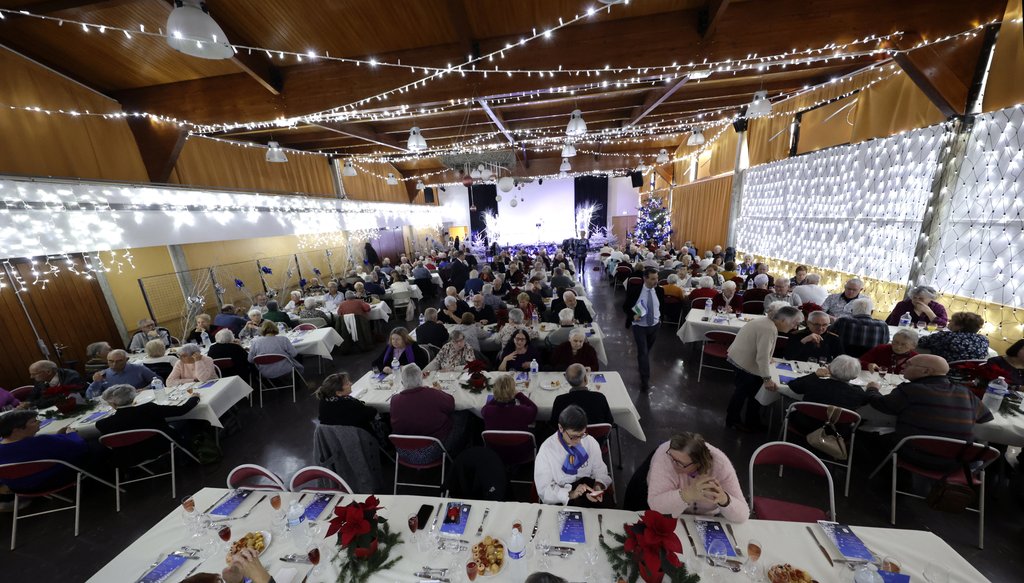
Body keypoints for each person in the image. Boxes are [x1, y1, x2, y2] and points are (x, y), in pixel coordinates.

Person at [865, 355, 992, 451]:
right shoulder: (965, 392)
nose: (903, 366)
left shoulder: (910, 390)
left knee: (868, 436)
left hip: (915, 454)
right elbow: (984, 417)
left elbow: (880, 404)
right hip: (955, 459)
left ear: (926, 371)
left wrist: (872, 389)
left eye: (908, 364)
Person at [726, 306, 804, 431]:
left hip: (740, 358)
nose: (795, 327)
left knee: (746, 392)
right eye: (795, 323)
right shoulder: (769, 328)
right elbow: (761, 357)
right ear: (784, 320)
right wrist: (767, 379)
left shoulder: (766, 322)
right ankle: (737, 421)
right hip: (745, 363)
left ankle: (746, 420)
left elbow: (761, 349)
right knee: (746, 393)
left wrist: (768, 357)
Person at [646, 432, 748, 522]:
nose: (672, 464)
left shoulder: (721, 466)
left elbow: (743, 515)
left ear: (698, 463)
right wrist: (686, 495)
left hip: (707, 519)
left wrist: (725, 500)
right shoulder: (665, 458)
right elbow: (656, 506)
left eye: (679, 463)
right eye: (672, 458)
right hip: (670, 517)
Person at [97, 384, 199, 466]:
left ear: (113, 404)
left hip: (128, 457)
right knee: (181, 422)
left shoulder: (102, 424)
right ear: (133, 397)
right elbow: (182, 410)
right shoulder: (148, 408)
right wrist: (194, 398)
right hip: (161, 446)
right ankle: (188, 456)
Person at [534, 405, 611, 506]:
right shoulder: (547, 450)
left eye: (582, 434)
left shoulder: (590, 442)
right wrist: (571, 494)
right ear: (561, 428)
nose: (578, 441)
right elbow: (544, 490)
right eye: (573, 436)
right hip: (561, 499)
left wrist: (597, 487)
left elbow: (600, 470)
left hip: (586, 493)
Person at [0, 409, 90, 493]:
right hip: (52, 481)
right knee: (93, 445)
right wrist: (72, 434)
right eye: (34, 421)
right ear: (16, 430)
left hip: (19, 489)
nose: (39, 422)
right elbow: (80, 447)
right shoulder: (40, 442)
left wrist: (58, 437)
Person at [390, 364, 465, 454]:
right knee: (463, 414)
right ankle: (462, 451)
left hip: (404, 451)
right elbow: (451, 405)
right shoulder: (433, 394)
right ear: (421, 379)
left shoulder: (394, 400)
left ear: (402, 383)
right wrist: (439, 391)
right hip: (433, 450)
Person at [776, 355, 869, 416]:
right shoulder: (858, 394)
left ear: (829, 368)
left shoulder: (814, 383)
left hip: (804, 423)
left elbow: (793, 385)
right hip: (837, 430)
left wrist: (815, 375)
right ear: (855, 376)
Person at [624, 267, 664, 392]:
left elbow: (661, 306)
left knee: (646, 351)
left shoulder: (659, 290)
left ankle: (642, 366)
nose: (656, 281)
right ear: (645, 278)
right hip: (639, 326)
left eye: (657, 278)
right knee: (643, 352)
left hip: (655, 325)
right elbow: (625, 307)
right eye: (652, 279)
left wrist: (660, 320)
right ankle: (645, 380)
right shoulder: (635, 290)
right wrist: (632, 315)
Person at [917, 311, 990, 363]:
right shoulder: (984, 339)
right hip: (970, 375)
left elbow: (921, 342)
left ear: (959, 326)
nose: (949, 322)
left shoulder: (947, 336)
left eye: (952, 320)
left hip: (942, 371)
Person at [86, 349, 157, 399]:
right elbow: (90, 397)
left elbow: (158, 380)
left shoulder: (138, 369)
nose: (114, 364)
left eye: (119, 361)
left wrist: (145, 389)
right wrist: (96, 383)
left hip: (141, 399)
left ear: (126, 360)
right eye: (111, 361)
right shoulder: (103, 375)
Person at [884, 285, 948, 328]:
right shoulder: (903, 305)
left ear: (931, 299)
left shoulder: (938, 308)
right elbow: (894, 323)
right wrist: (921, 326)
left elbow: (942, 325)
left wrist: (929, 312)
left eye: (921, 298)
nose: (916, 300)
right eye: (914, 297)